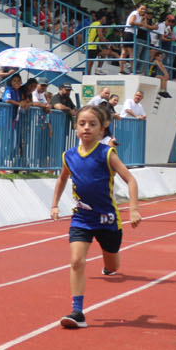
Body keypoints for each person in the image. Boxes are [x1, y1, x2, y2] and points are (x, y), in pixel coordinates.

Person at [50, 103, 141, 329]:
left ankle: (109, 263)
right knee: (76, 261)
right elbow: (62, 178)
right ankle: (77, 311)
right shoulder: (68, 156)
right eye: (82, 124)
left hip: (108, 220)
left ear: (102, 130)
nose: (87, 128)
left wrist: (134, 208)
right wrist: (54, 205)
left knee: (113, 263)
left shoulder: (106, 153)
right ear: (76, 128)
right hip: (82, 217)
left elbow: (130, 179)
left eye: (92, 124)